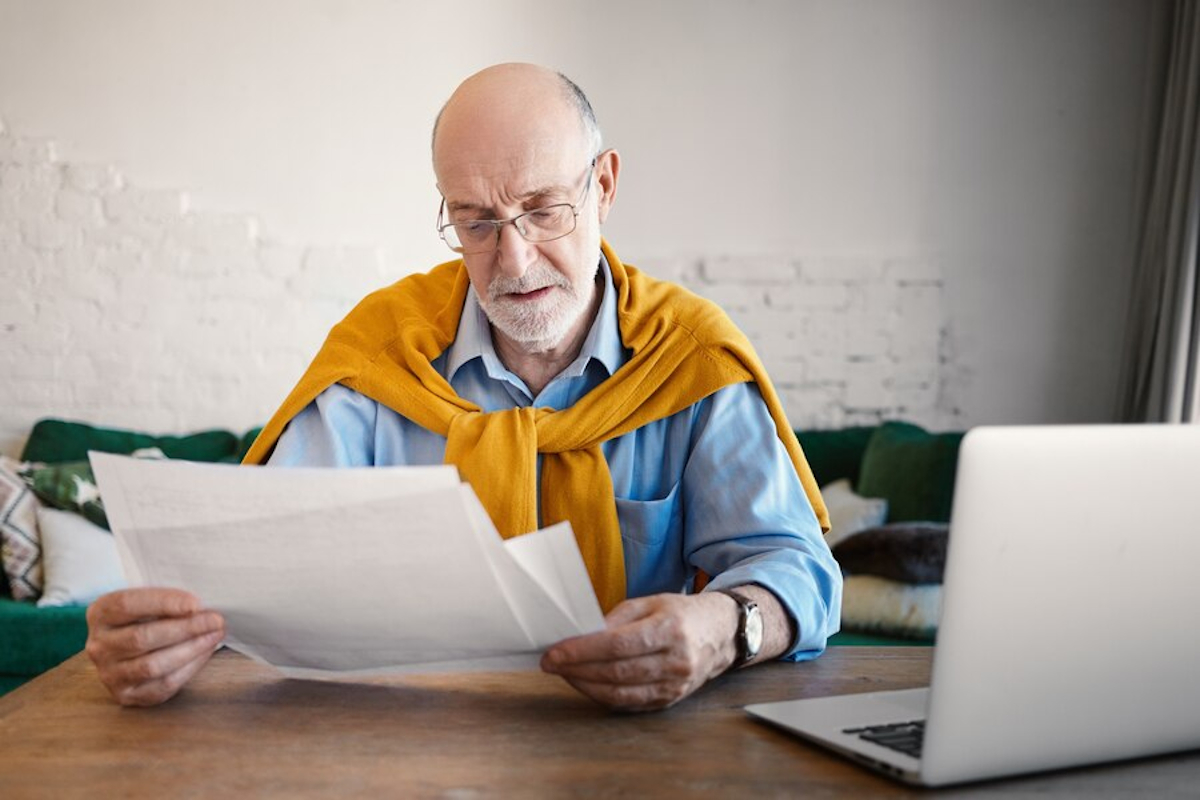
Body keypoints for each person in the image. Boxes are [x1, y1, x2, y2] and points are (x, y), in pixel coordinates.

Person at [85, 63, 842, 711]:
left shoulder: (689, 359)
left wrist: (725, 630)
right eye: (474, 221)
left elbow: (794, 568)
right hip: (402, 742)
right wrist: (159, 636)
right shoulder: (379, 354)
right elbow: (257, 568)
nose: (512, 261)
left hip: (641, 749)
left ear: (604, 186)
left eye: (543, 210)